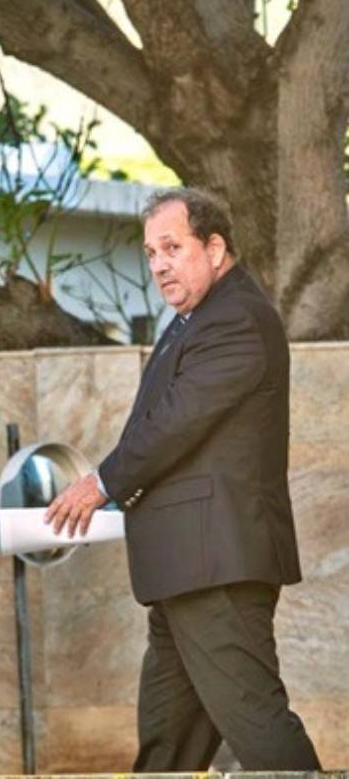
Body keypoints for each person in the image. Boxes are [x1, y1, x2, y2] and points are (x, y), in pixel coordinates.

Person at [45, 188, 320, 771]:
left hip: (215, 565)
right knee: (168, 741)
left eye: (172, 247)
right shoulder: (196, 318)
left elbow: (176, 423)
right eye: (150, 253)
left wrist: (100, 484)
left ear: (214, 247)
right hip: (185, 568)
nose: (159, 265)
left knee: (258, 725)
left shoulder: (237, 319)